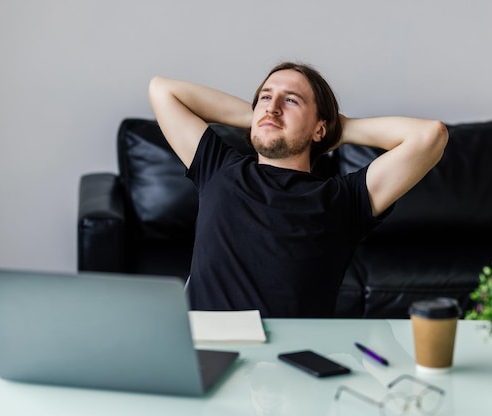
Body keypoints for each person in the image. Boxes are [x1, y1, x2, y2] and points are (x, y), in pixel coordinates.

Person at [148, 62, 448, 318]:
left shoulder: (345, 199)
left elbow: (430, 135)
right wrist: (260, 117)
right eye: (266, 97)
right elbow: (162, 90)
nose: (273, 107)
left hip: (291, 360)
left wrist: (338, 130)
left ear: (320, 129)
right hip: (210, 347)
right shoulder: (219, 168)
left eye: (291, 100)